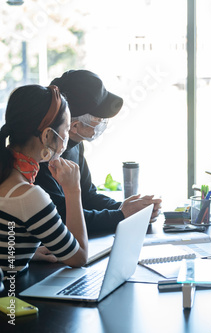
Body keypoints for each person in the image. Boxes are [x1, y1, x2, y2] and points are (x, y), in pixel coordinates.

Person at [34, 70, 162, 240]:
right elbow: (62, 218)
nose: (103, 123)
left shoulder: (75, 145)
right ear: (75, 126)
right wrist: (122, 215)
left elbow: (87, 196)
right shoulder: (42, 158)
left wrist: (127, 208)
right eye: (99, 118)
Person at [0, 85, 88, 273]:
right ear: (48, 135)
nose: (67, 137)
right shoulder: (27, 195)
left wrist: (23, 252)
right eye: (66, 129)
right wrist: (73, 190)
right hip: (10, 300)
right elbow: (79, 257)